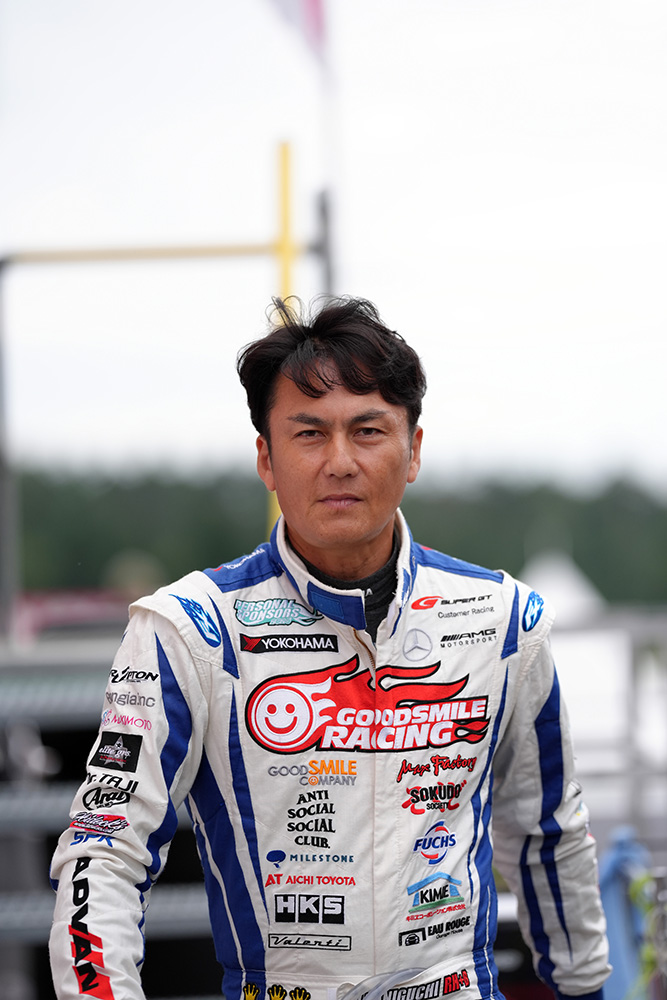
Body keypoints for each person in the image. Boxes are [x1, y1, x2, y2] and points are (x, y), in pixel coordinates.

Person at [49, 296, 610, 1000]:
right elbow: (104, 851)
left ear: (413, 450)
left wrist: (586, 989)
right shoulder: (188, 628)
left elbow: (549, 835)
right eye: (309, 434)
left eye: (367, 431)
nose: (340, 462)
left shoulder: (503, 619)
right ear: (267, 458)